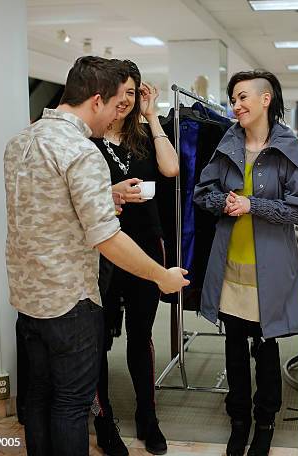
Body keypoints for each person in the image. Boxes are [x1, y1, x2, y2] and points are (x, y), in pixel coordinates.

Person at [4, 56, 189, 456]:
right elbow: (107, 237)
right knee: (71, 406)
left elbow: (47, 206)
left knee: (37, 400)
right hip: (71, 300)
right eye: (113, 106)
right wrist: (161, 275)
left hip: (28, 299)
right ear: (97, 100)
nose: (113, 118)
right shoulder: (81, 150)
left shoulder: (22, 140)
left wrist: (107, 194)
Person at [194, 70, 298, 456]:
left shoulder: (285, 146)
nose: (236, 105)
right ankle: (239, 420)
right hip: (230, 265)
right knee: (233, 347)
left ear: (266, 100)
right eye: (233, 98)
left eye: (243, 97)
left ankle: (265, 422)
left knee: (266, 349)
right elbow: (202, 193)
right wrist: (226, 202)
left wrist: (254, 205)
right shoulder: (227, 141)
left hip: (270, 268)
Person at [90, 60, 178, 456]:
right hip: (101, 249)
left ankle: (148, 416)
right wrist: (111, 193)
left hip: (145, 244)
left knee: (141, 337)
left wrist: (153, 116)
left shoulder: (144, 135)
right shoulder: (88, 140)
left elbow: (171, 168)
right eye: (120, 92)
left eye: (132, 92)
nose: (125, 100)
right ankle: (103, 420)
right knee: (98, 340)